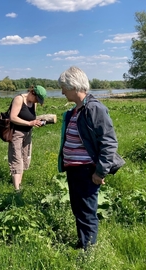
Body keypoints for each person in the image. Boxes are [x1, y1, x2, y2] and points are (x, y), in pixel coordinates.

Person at [58, 66, 120, 250]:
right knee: (78, 209)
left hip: (86, 170)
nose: (62, 92)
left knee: (87, 211)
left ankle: (88, 252)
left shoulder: (94, 109)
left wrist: (100, 173)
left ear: (74, 86)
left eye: (64, 87)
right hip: (74, 169)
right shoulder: (76, 110)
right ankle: (83, 243)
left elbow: (108, 142)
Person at [8, 85, 47, 192]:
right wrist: (29, 123)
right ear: (32, 93)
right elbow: (13, 117)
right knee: (16, 158)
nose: (37, 102)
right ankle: (16, 189)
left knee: (25, 158)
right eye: (36, 99)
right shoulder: (19, 99)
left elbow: (32, 117)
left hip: (28, 133)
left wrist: (37, 122)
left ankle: (19, 184)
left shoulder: (33, 104)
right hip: (17, 133)